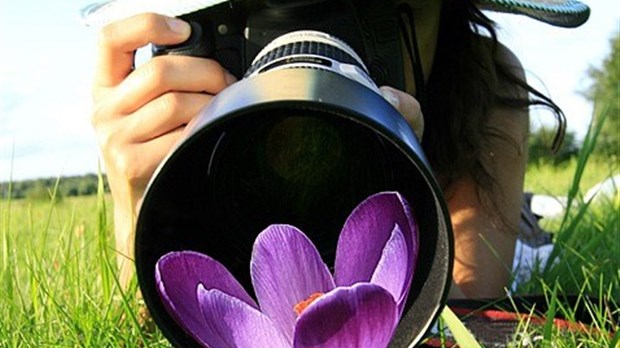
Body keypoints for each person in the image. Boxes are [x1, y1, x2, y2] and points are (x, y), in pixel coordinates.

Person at [87, 0, 589, 299]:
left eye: (369, 8)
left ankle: (536, 211)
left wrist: (409, 187)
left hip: (466, 179)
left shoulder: (479, 75)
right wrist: (141, 217)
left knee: (530, 239)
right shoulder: (192, 116)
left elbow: (467, 306)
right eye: (259, 10)